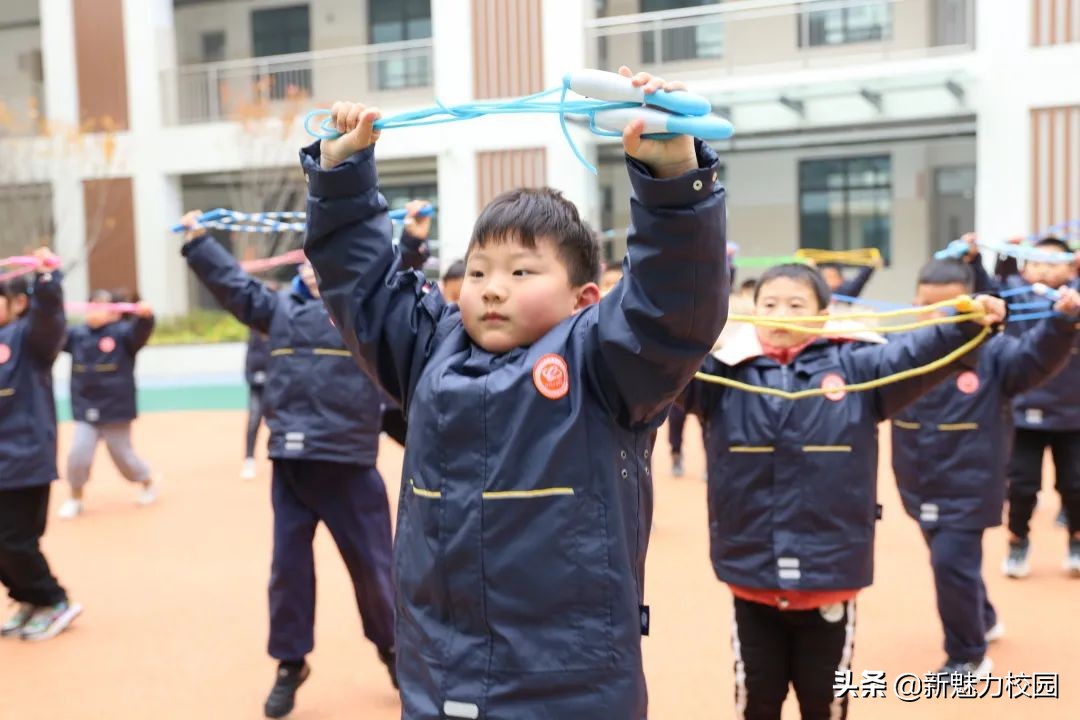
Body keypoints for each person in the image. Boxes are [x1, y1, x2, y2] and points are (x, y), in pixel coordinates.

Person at [302, 66, 728, 719]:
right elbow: (362, 287)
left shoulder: (603, 364)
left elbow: (671, 307)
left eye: (521, 271)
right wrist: (339, 176)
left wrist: (672, 177)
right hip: (439, 683)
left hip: (571, 692)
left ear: (585, 297)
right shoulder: (427, 351)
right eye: (478, 271)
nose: (492, 287)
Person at [177, 219, 398, 718]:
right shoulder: (277, 309)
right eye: (311, 261)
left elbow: (398, 274)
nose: (320, 270)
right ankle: (291, 663)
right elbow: (234, 286)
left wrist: (413, 241)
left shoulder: (365, 311)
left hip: (351, 466)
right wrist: (197, 244)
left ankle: (394, 650)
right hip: (294, 467)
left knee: (376, 573)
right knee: (289, 573)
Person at [0, 249, 83, 641]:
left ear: (18, 303)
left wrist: (49, 280)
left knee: (14, 539)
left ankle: (53, 600)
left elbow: (49, 317)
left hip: (23, 460)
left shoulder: (30, 339)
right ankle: (27, 598)